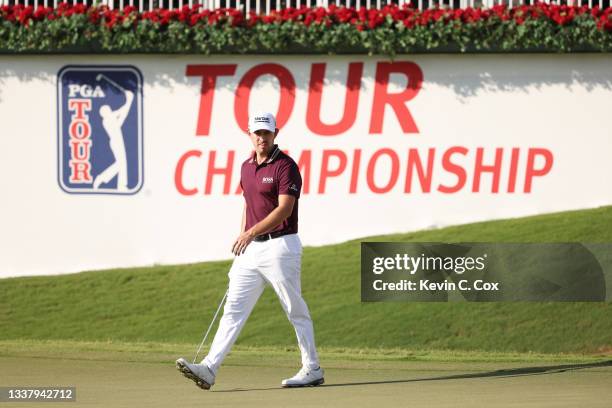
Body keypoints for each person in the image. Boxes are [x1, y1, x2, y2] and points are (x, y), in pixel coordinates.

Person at [176, 112, 324, 390]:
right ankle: (209, 368)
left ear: (275, 134)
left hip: (282, 246)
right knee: (233, 308)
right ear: (249, 134)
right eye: (256, 133)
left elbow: (284, 209)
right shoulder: (245, 166)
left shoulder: (285, 166)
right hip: (252, 249)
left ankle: (312, 368)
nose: (261, 138)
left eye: (266, 133)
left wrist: (250, 232)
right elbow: (247, 204)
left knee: (294, 309)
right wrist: (243, 236)